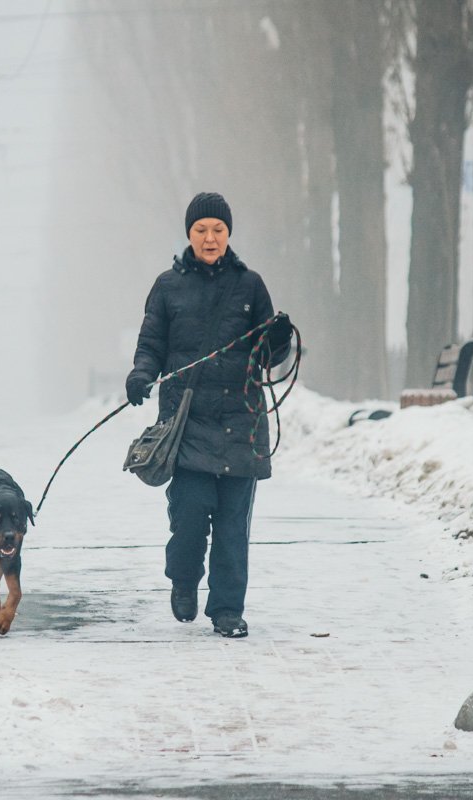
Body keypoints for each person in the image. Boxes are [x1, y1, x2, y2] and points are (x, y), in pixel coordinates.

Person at [125, 192, 293, 638]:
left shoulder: (251, 285)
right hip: (189, 422)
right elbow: (151, 343)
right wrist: (141, 374)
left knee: (234, 527)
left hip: (242, 419)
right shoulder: (167, 287)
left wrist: (278, 338)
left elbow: (269, 355)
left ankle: (227, 611)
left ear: (229, 234)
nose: (210, 237)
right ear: (189, 234)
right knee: (191, 515)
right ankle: (183, 580)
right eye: (201, 229)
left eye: (218, 229)